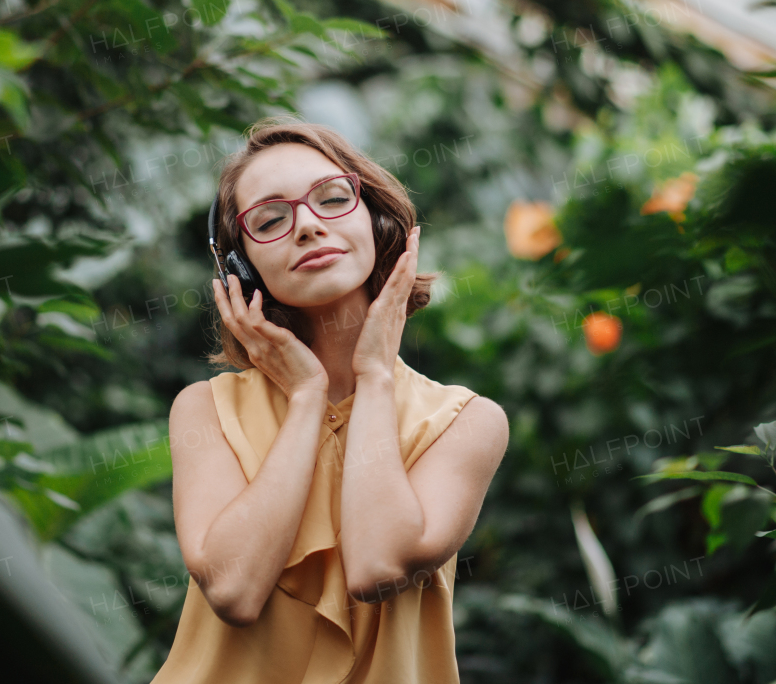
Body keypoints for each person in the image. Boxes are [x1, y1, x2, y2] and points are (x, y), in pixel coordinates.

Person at [150, 117, 509, 684]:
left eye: (333, 199)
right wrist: (308, 398)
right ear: (240, 268)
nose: (309, 227)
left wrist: (374, 375)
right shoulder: (205, 410)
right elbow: (234, 591)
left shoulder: (465, 423)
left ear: (379, 219)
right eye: (269, 219)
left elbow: (376, 566)